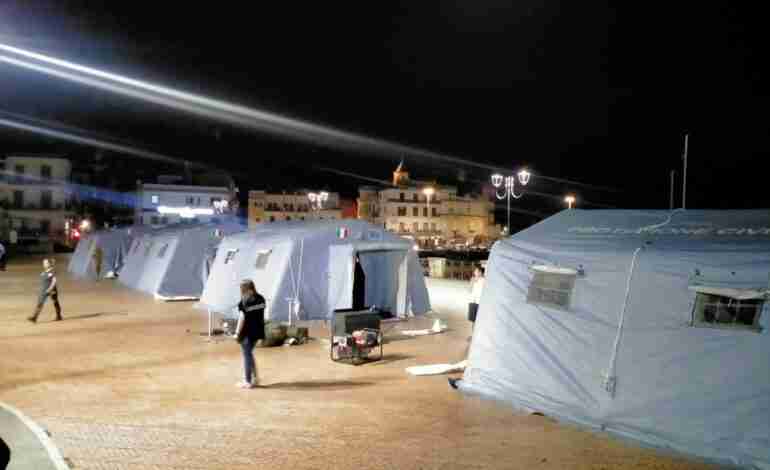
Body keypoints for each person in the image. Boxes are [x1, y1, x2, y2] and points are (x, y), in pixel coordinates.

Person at [234, 279, 266, 389]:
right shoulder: (261, 299)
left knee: (247, 355)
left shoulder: (244, 302)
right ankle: (255, 378)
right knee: (249, 354)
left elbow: (242, 318)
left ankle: (248, 380)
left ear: (244, 289)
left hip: (247, 333)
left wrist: (237, 333)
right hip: (258, 331)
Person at [28, 259, 62, 323]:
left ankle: (59, 315)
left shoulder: (52, 271)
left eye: (45, 263)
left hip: (51, 290)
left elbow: (54, 281)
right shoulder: (44, 272)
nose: (44, 264)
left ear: (49, 264)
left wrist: (50, 289)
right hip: (44, 290)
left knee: (55, 302)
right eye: (43, 263)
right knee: (40, 302)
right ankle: (34, 317)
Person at [468, 266, 485, 331]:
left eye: (476, 271)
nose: (474, 272)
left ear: (480, 272)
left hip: (479, 302)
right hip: (472, 301)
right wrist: (472, 282)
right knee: (473, 320)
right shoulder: (473, 279)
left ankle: (477, 336)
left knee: (479, 320)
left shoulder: (484, 280)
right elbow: (469, 290)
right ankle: (472, 335)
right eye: (475, 271)